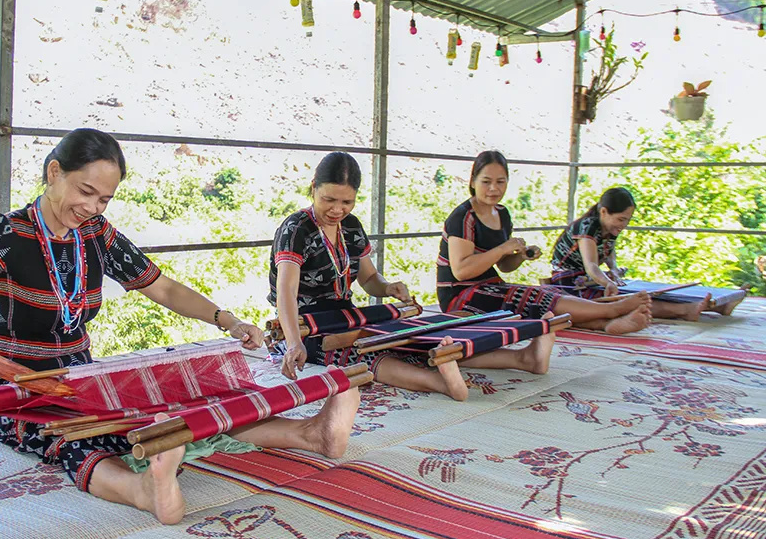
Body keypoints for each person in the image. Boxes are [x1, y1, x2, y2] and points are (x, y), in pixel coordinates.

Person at [0, 128, 361, 525]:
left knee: (170, 406)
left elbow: (160, 286)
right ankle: (141, 489)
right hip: (12, 386)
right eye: (86, 192)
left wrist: (226, 318)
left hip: (80, 372)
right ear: (54, 173)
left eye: (105, 198)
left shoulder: (97, 236)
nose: (94, 206)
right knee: (59, 437)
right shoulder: (6, 235)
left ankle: (308, 435)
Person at [269, 152, 558, 403]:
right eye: (328, 199)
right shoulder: (297, 229)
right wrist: (294, 342)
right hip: (306, 323)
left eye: (347, 201)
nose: (337, 209)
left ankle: (522, 359)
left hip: (346, 314)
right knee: (358, 353)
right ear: (313, 189)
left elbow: (368, 278)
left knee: (406, 338)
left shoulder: (351, 226)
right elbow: (286, 290)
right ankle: (441, 383)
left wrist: (388, 287)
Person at [437, 150, 653, 335]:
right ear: (473, 182)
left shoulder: (502, 214)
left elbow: (503, 266)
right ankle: (613, 310)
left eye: (500, 182)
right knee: (531, 297)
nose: (494, 188)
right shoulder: (464, 217)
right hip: (460, 296)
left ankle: (604, 324)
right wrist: (503, 248)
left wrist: (519, 255)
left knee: (550, 295)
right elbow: (462, 271)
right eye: (486, 182)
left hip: (489, 286)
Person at [551, 187, 738, 319]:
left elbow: (608, 253)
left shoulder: (609, 227)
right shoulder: (588, 227)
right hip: (569, 281)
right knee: (622, 302)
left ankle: (718, 307)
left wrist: (614, 270)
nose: (623, 225)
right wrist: (607, 281)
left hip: (589, 278)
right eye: (621, 219)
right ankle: (685, 310)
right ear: (604, 211)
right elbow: (591, 264)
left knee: (631, 295)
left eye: (627, 220)